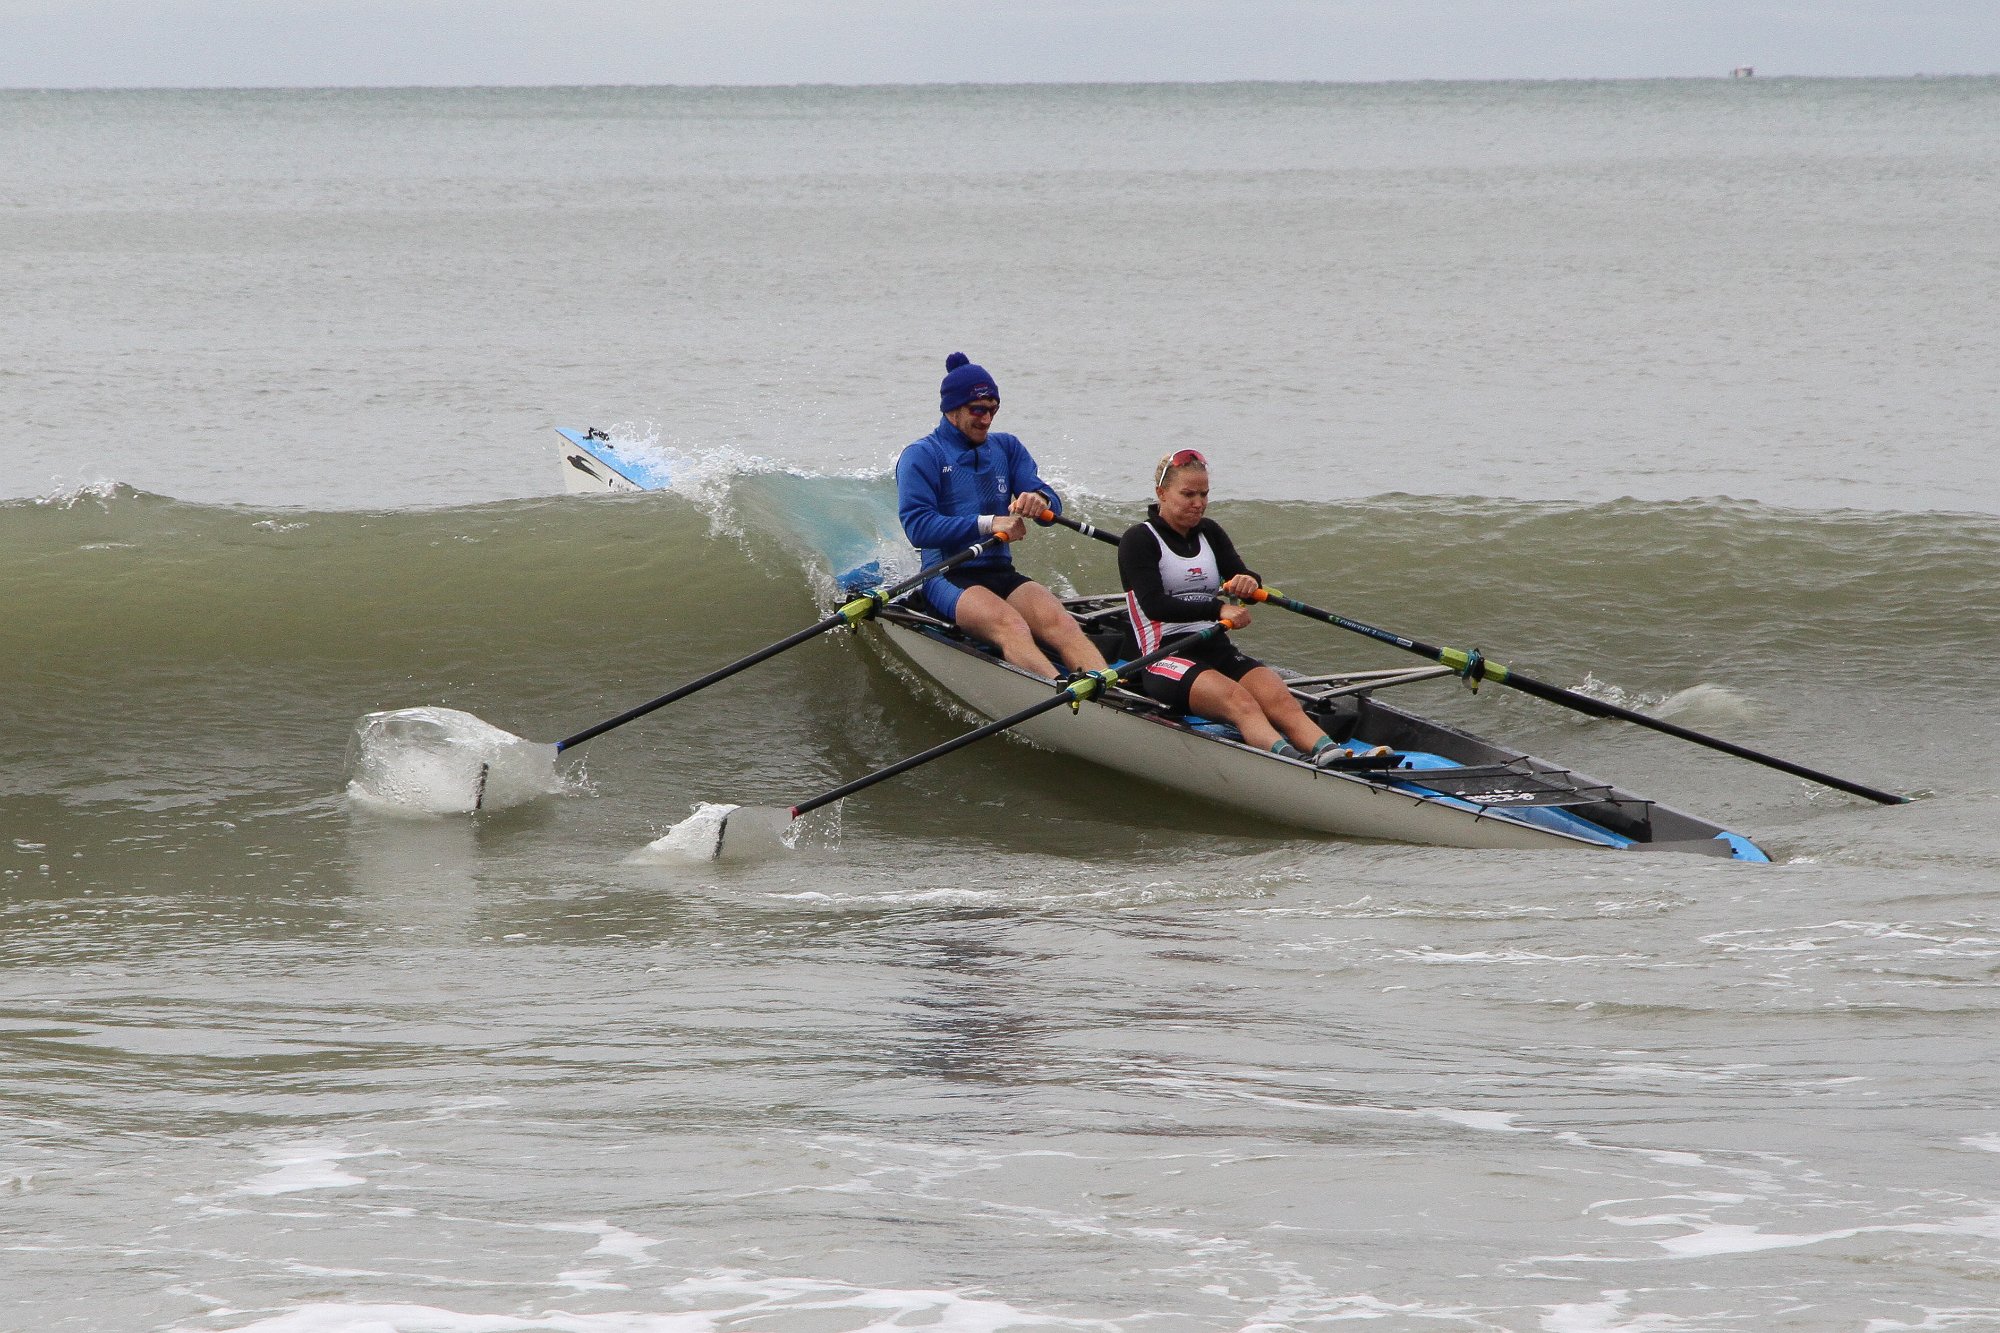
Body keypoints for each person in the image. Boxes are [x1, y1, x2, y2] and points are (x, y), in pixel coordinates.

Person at [1119, 449, 1368, 767]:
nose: (1198, 502)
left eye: (1204, 494)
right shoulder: (1139, 540)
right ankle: (1293, 762)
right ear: (1161, 494)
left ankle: (1335, 755)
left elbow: (1246, 579)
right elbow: (1154, 605)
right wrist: (1217, 609)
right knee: (1241, 702)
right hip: (1165, 657)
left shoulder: (1209, 532)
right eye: (1188, 494)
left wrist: (1247, 584)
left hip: (1215, 648)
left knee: (1280, 699)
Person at [896, 353, 1109, 680]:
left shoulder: (1007, 448)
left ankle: (1105, 694)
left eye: (993, 409)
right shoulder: (922, 455)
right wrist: (990, 523)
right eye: (978, 410)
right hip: (947, 575)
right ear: (951, 410)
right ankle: (1060, 700)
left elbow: (1051, 502)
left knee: (1063, 625)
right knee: (1013, 626)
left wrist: (1038, 500)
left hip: (1000, 570)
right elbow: (918, 527)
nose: (987, 419)